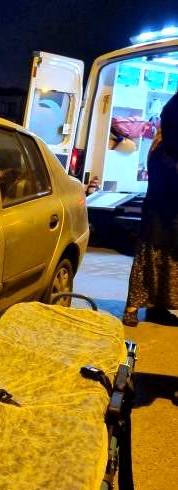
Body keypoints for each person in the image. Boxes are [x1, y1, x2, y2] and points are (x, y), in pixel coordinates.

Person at [123, 94, 178, 327]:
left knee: (163, 262)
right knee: (150, 260)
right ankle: (132, 309)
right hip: (161, 216)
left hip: (163, 215)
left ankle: (157, 309)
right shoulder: (164, 151)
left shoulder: (162, 146)